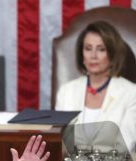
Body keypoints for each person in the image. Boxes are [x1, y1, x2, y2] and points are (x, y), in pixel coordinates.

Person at [55, 21, 136, 152]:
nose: (93, 56)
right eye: (88, 48)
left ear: (112, 53)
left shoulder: (131, 93)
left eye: (101, 49)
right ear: (82, 54)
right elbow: (60, 141)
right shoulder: (66, 91)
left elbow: (125, 144)